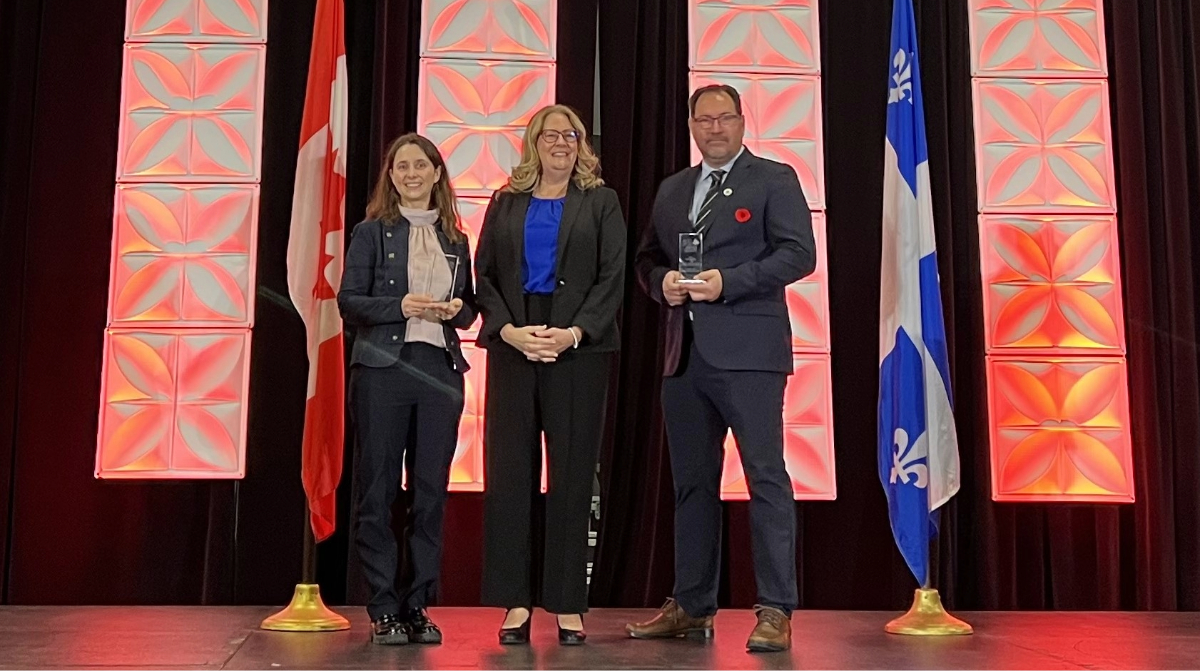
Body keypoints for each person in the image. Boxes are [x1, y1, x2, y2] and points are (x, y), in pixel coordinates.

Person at [627, 84, 817, 652]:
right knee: (691, 485)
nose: (715, 128)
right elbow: (647, 259)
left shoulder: (774, 179)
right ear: (692, 126)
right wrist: (660, 283)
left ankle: (775, 609)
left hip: (751, 355)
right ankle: (691, 605)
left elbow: (799, 254)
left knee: (766, 478)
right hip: (683, 357)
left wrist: (727, 282)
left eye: (724, 118)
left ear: (741, 122)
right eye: (704, 120)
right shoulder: (673, 189)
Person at [475, 104, 626, 646]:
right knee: (509, 474)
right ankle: (515, 602)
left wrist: (574, 333)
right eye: (550, 135)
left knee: (573, 476)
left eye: (571, 135)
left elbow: (612, 277)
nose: (561, 143)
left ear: (581, 144)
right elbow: (483, 274)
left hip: (578, 350)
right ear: (533, 144)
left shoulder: (601, 201)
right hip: (515, 344)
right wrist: (508, 330)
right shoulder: (505, 201)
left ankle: (566, 605)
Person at [337, 133, 477, 646]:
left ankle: (417, 603)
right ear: (391, 176)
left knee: (430, 493)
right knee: (376, 490)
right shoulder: (371, 232)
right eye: (402, 167)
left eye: (421, 166)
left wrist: (455, 311)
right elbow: (349, 301)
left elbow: (469, 307)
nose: (412, 174)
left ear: (437, 174)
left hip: (439, 369)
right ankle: (383, 606)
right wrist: (401, 307)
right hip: (382, 371)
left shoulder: (456, 238)